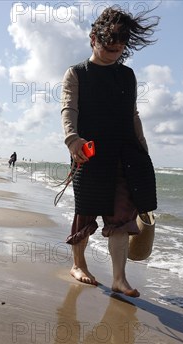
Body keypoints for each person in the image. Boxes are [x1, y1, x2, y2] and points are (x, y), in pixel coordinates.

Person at [61, 6, 158, 297]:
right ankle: (78, 265)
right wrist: (72, 139)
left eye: (118, 50)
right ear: (93, 38)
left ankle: (119, 278)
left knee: (122, 215)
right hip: (88, 153)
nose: (112, 54)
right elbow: (69, 108)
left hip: (125, 152)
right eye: (107, 48)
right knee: (86, 212)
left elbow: (133, 115)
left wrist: (143, 148)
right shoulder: (77, 73)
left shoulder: (127, 75)